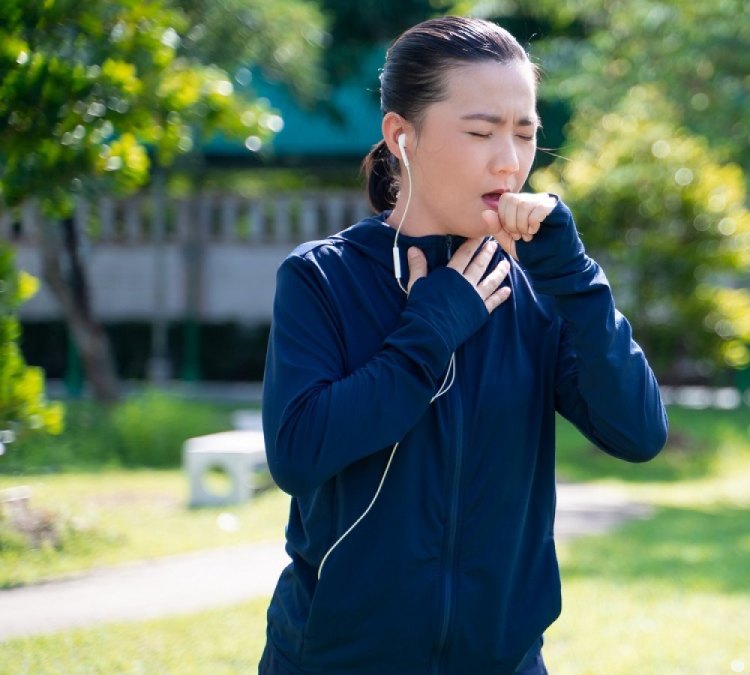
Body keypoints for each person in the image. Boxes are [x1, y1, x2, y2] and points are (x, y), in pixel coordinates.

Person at [258, 16, 669, 675]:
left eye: (525, 134)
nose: (508, 159)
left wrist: (575, 277)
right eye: (480, 132)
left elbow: (639, 432)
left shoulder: (538, 291)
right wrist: (434, 325)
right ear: (402, 135)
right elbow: (298, 452)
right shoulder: (321, 277)